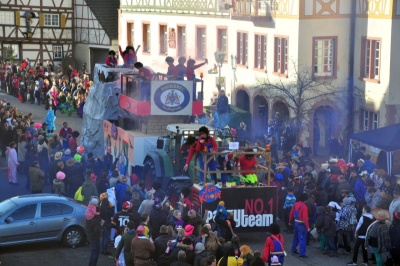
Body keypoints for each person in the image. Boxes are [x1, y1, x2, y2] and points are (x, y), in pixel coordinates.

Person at [289, 193, 310, 258]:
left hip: (296, 222)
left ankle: (293, 249)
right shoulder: (304, 206)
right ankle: (302, 253)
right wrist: (308, 227)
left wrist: (290, 221)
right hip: (302, 224)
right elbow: (305, 218)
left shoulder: (295, 205)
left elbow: (291, 213)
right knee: (302, 239)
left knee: (295, 237)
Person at [86, 197, 103, 266]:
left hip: (90, 236)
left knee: (93, 251)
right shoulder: (95, 220)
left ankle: (91, 264)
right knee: (95, 252)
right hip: (95, 237)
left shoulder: (89, 216)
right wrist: (101, 225)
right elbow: (96, 230)